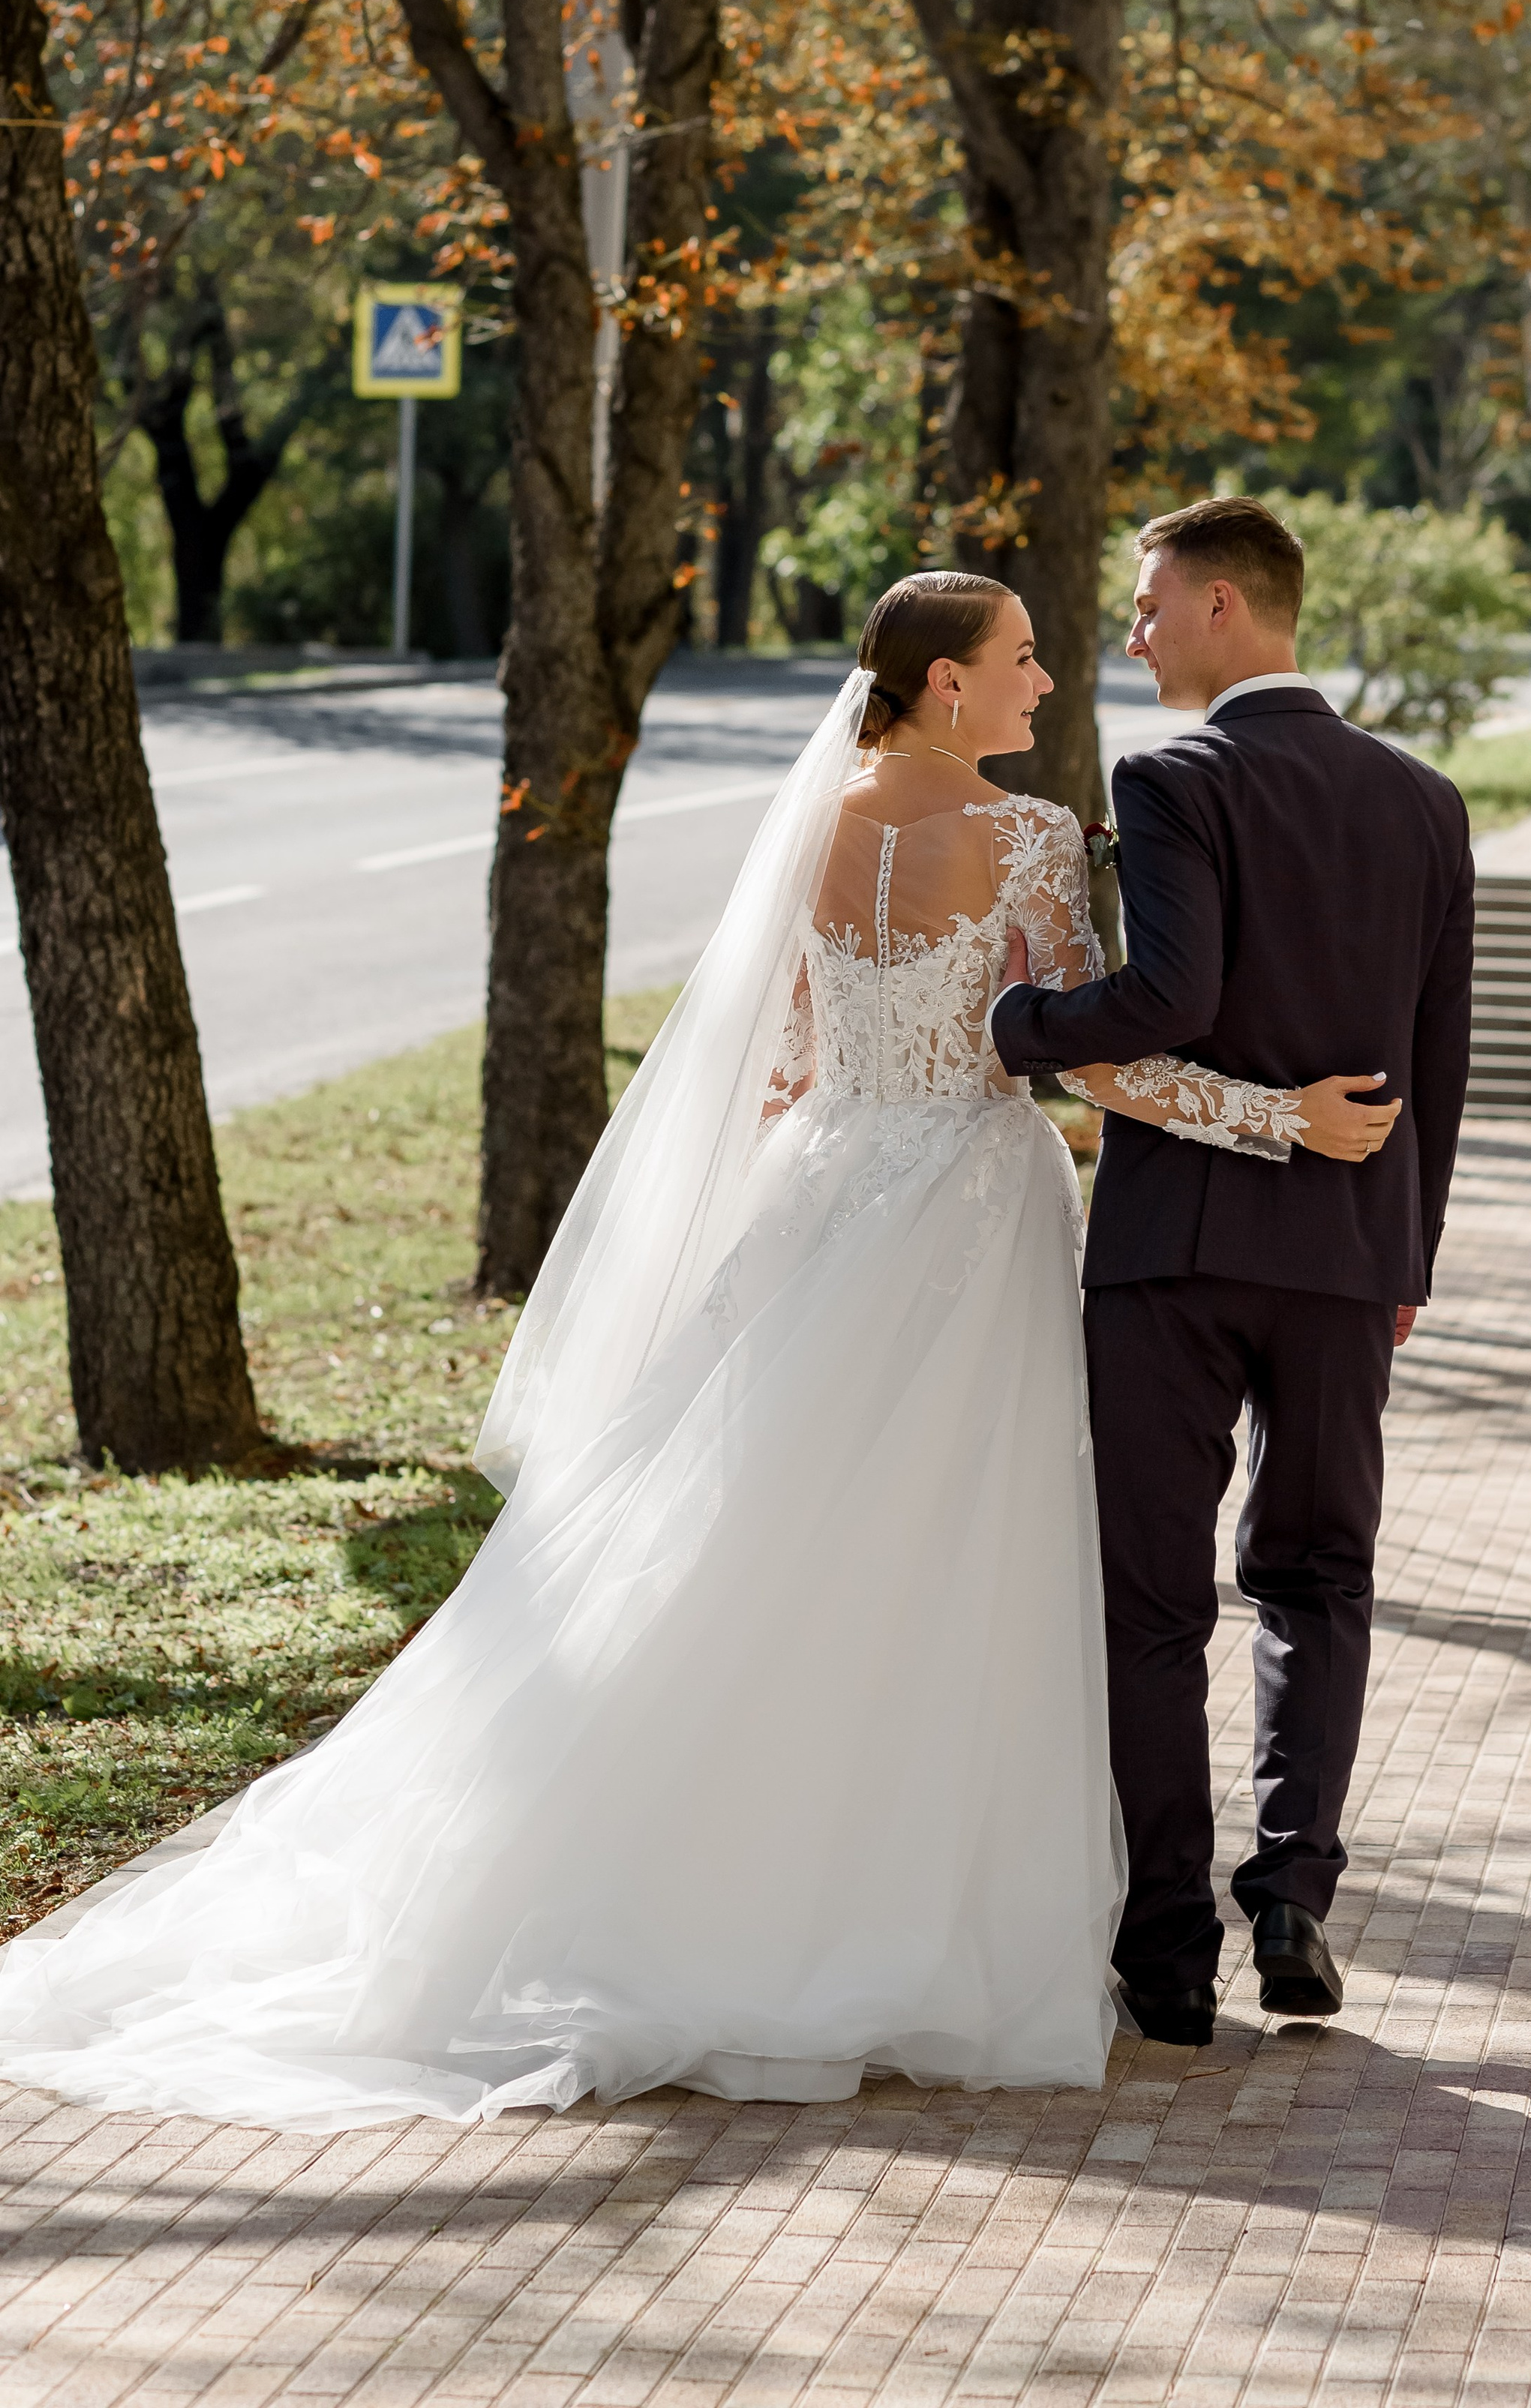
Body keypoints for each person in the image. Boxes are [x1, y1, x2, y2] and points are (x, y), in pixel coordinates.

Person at [0, 572, 1394, 2134]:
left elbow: (784, 1059)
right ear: (943, 686)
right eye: (1016, 659)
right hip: (963, 1213)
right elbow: (1101, 1063)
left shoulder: (806, 826)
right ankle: (874, 1905)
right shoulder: (1028, 840)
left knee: (749, 1539)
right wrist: (1287, 1121)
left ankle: (684, 1873)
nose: (1045, 680)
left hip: (821, 1196)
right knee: (941, 1558)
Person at [992, 497, 1475, 2051]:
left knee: (1151, 1601)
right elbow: (1439, 1061)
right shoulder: (1424, 800)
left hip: (1173, 1254)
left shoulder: (1172, 774)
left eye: (1143, 606)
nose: (1127, 636)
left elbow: (1165, 993)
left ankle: (1166, 1949)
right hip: (1347, 1259)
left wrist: (1022, 1028)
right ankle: (1292, 1897)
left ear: (1218, 606)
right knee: (1318, 1578)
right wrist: (1404, 1254)